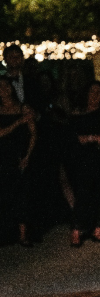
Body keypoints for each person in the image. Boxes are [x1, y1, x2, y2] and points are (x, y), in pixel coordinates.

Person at [67, 82, 100, 247]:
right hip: (83, 159)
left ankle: (99, 228)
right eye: (92, 92)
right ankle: (76, 229)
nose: (95, 95)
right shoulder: (78, 113)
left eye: (98, 92)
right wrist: (92, 138)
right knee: (83, 193)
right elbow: (72, 137)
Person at [0, 78, 37, 247]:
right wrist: (18, 122)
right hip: (3, 156)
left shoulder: (24, 108)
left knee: (22, 193)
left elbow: (33, 134)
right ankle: (7, 232)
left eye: (6, 85)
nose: (3, 89)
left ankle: (23, 235)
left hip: (20, 155)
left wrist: (27, 155)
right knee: (5, 193)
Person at [2, 44, 43, 113]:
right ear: (5, 60)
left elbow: (39, 102)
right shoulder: (2, 82)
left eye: (17, 57)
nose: (14, 60)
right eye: (11, 57)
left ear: (22, 59)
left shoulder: (32, 81)